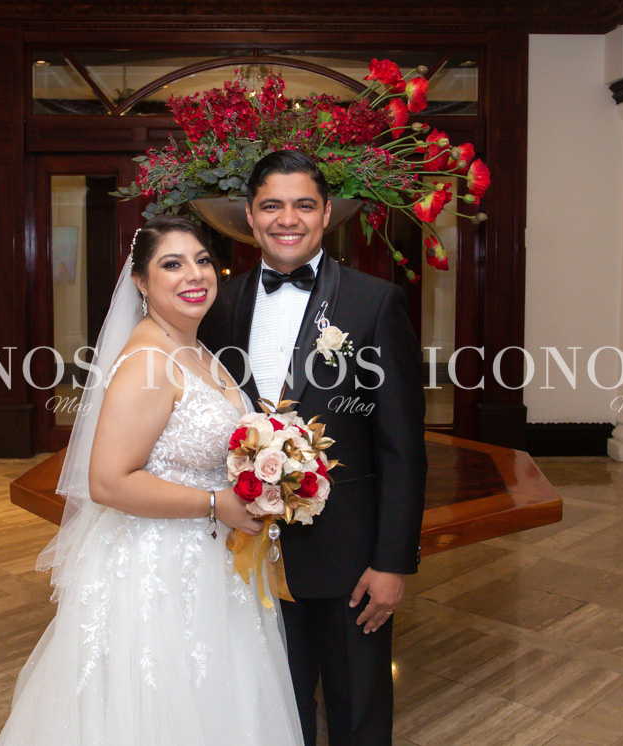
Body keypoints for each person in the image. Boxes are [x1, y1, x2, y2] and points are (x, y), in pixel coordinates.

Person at [0, 216, 303, 745]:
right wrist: (217, 503)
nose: (194, 275)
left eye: (202, 260)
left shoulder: (196, 349)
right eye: (172, 264)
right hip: (157, 569)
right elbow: (108, 482)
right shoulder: (147, 360)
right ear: (141, 281)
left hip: (211, 564)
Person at [202, 151, 427, 745]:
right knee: (272, 712)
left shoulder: (374, 302)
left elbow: (403, 446)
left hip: (350, 555)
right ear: (250, 216)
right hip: (249, 552)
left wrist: (393, 562)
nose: (288, 219)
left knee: (359, 712)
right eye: (271, 205)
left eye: (304, 205)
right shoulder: (219, 305)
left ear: (327, 213)